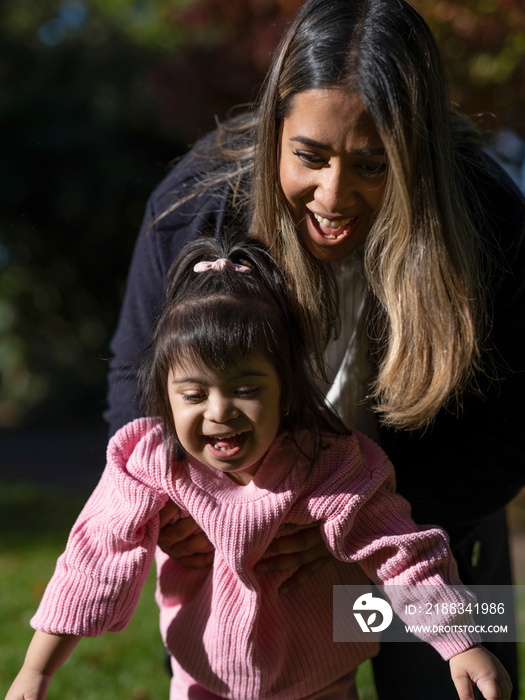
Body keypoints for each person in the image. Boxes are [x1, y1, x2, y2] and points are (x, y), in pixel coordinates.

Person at [104, 0, 525, 697]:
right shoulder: (193, 205)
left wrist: (354, 524)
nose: (334, 195)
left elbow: (513, 422)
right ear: (274, 127)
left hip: (428, 537)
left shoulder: (489, 215)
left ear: (418, 152)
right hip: (253, 548)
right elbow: (134, 379)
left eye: (372, 163)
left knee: (464, 683)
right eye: (310, 155)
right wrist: (179, 506)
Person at [6, 237, 513, 700]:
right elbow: (93, 563)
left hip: (321, 680)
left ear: (286, 391)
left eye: (247, 389)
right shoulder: (150, 464)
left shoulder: (329, 462)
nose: (219, 411)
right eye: (194, 394)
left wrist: (461, 640)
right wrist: (36, 671)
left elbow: (401, 553)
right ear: (165, 396)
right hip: (203, 679)